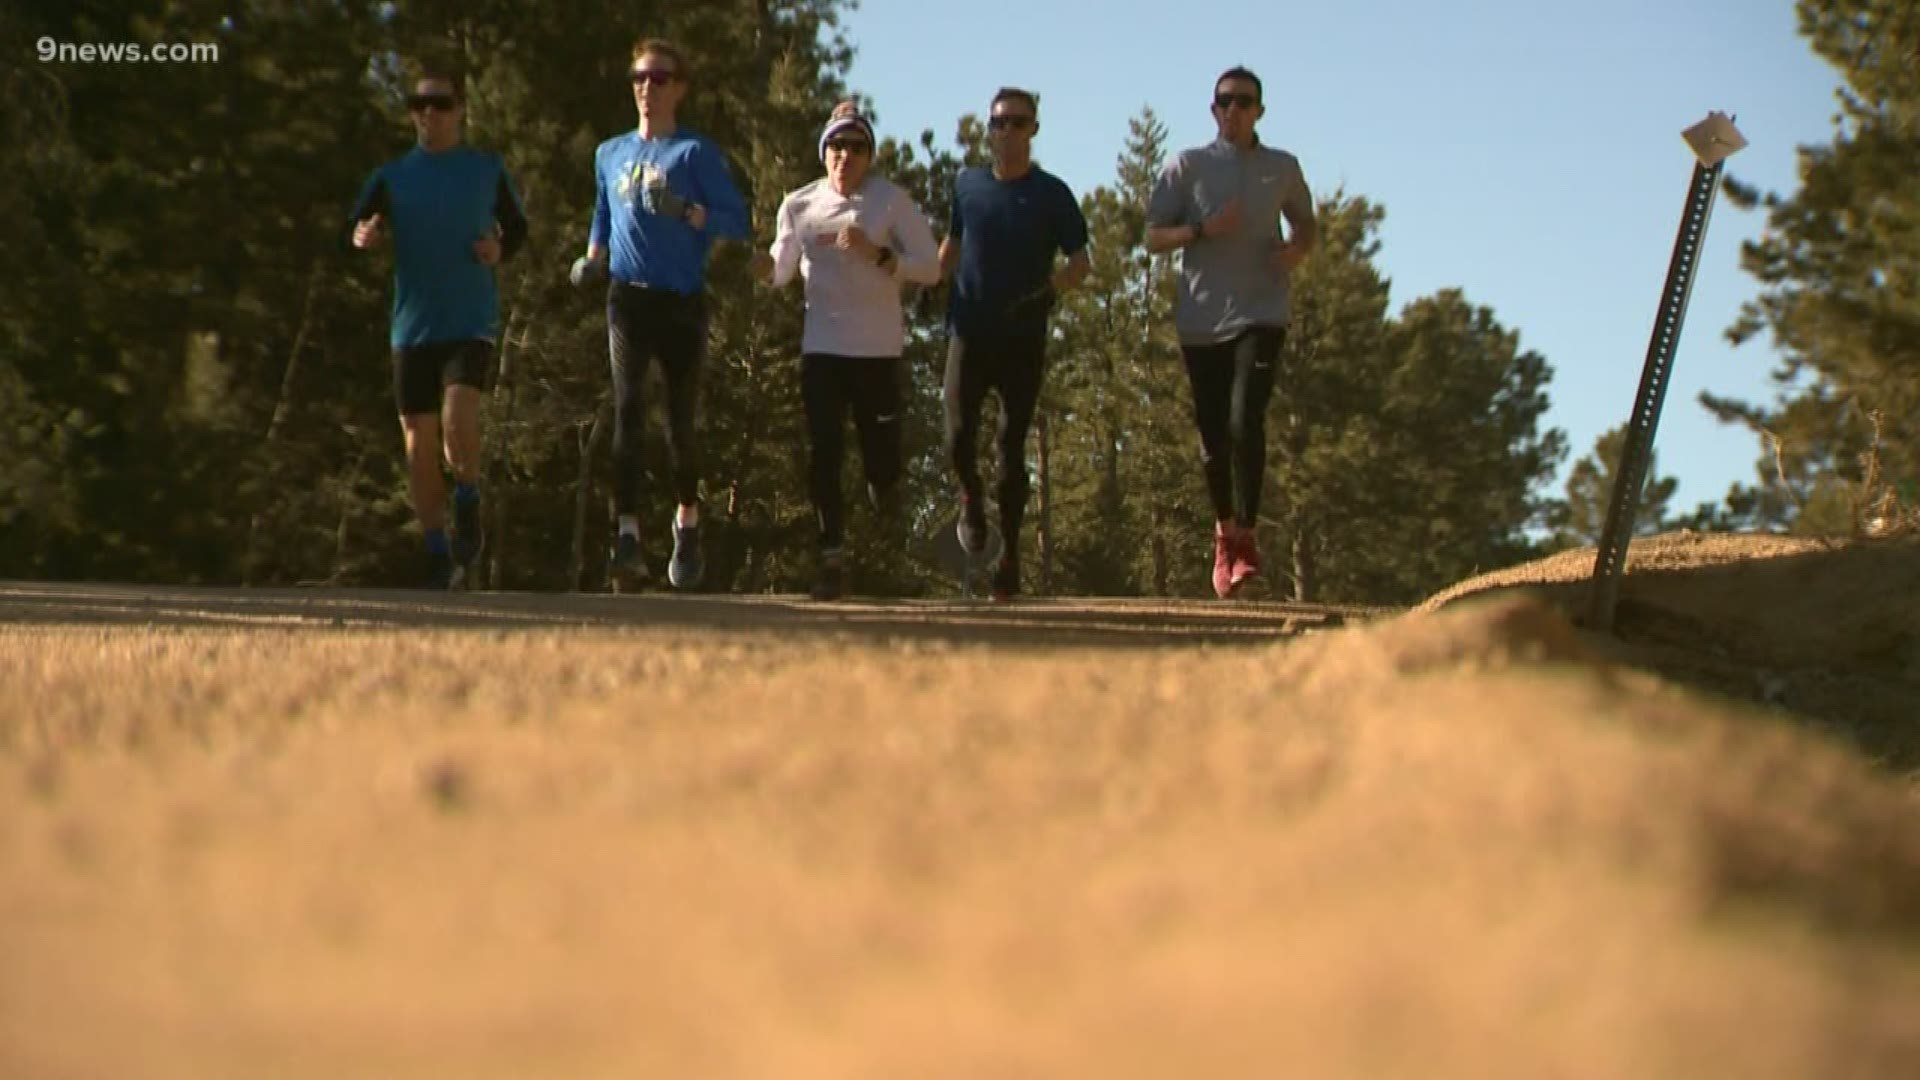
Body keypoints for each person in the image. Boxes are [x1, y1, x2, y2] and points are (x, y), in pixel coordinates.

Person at [571, 38, 750, 591]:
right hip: (628, 295)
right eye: (639, 78)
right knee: (627, 410)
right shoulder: (610, 153)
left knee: (679, 424)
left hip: (682, 300)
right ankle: (627, 536)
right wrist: (592, 258)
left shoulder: (695, 153)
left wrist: (688, 211)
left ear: (681, 88)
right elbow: (603, 213)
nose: (647, 88)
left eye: (660, 78)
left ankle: (687, 521)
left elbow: (737, 221)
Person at [347, 63, 528, 589]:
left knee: (456, 422)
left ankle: (467, 496)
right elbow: (359, 224)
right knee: (417, 443)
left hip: (469, 318)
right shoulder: (391, 176)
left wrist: (499, 249)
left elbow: (516, 228)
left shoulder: (485, 169)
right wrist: (365, 235)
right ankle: (435, 551)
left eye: (440, 104)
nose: (429, 113)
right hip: (412, 327)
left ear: (459, 111)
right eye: (419, 105)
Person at [754, 104, 940, 600]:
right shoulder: (799, 205)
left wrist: (878, 254)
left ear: (869, 156)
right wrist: (756, 265)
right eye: (837, 146)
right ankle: (831, 556)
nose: (845, 156)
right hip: (823, 348)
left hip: (877, 350)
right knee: (824, 452)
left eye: (857, 148)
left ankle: (884, 484)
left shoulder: (890, 203)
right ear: (824, 153)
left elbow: (931, 268)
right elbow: (780, 271)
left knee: (881, 458)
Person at [1145, 65, 1317, 599]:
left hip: (1262, 311)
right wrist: (1202, 230)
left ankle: (1247, 534)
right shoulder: (1188, 166)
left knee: (1247, 418)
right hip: (1201, 319)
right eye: (1225, 101)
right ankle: (1225, 534)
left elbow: (1307, 224)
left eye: (1244, 101)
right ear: (1213, 109)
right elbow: (1151, 237)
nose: (1234, 110)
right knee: (1215, 436)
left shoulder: (1281, 167)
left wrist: (1296, 250)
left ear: (1259, 111)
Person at [939, 87, 1090, 601]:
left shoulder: (1052, 194)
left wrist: (1051, 290)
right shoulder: (967, 185)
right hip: (969, 329)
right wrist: (925, 279)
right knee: (956, 433)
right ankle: (970, 504)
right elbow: (952, 246)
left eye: (1017, 123)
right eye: (998, 123)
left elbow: (1080, 263)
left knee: (1010, 448)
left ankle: (1009, 558)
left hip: (1022, 335)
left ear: (1033, 129)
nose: (1006, 131)